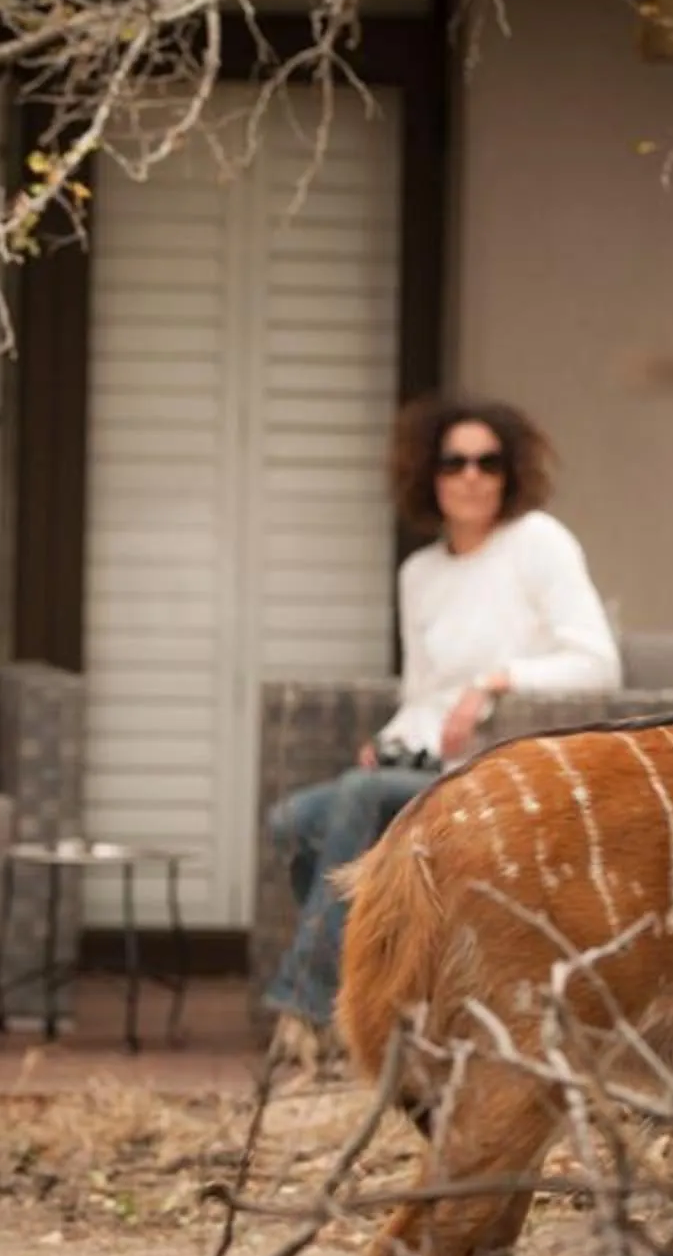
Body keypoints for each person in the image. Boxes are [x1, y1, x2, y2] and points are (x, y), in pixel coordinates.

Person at [261, 395, 622, 1073]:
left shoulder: (538, 543)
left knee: (359, 802)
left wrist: (496, 683)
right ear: (429, 474)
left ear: (510, 473)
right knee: (292, 821)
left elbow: (598, 663)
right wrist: (389, 737)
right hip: (424, 763)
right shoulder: (419, 574)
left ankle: (309, 1010)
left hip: (496, 770)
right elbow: (421, 692)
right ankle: (382, 995)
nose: (471, 476)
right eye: (454, 461)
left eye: (488, 462)